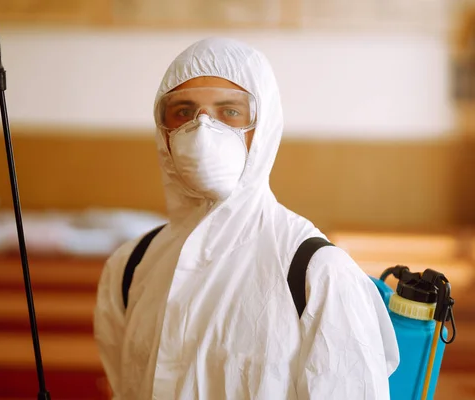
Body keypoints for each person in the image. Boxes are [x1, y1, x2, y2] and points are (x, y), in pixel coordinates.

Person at [93, 37, 399, 399]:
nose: (202, 128)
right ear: (164, 131)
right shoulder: (131, 266)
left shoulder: (317, 274)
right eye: (183, 112)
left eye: (230, 112)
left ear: (264, 126)